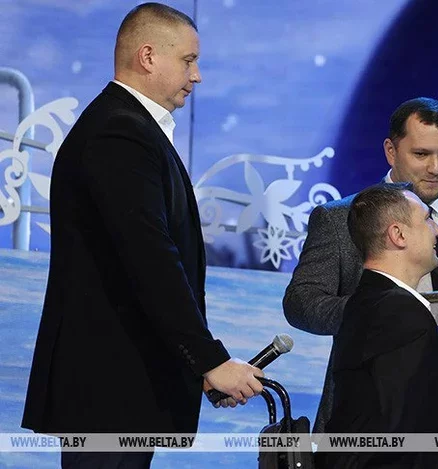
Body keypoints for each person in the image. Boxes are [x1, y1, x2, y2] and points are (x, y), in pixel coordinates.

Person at [21, 4, 263, 468]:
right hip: (107, 391)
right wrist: (209, 360)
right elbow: (150, 258)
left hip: (123, 388)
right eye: (189, 61)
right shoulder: (119, 132)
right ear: (148, 57)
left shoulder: (128, 127)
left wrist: (197, 365)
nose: (197, 76)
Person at [284, 97, 438, 434]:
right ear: (391, 151)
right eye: (421, 154)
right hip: (371, 418)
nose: (435, 168)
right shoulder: (340, 219)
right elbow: (300, 302)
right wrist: (380, 315)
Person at [322, 183, 438, 469]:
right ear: (398, 235)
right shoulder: (397, 312)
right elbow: (406, 438)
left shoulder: (376, 303)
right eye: (427, 219)